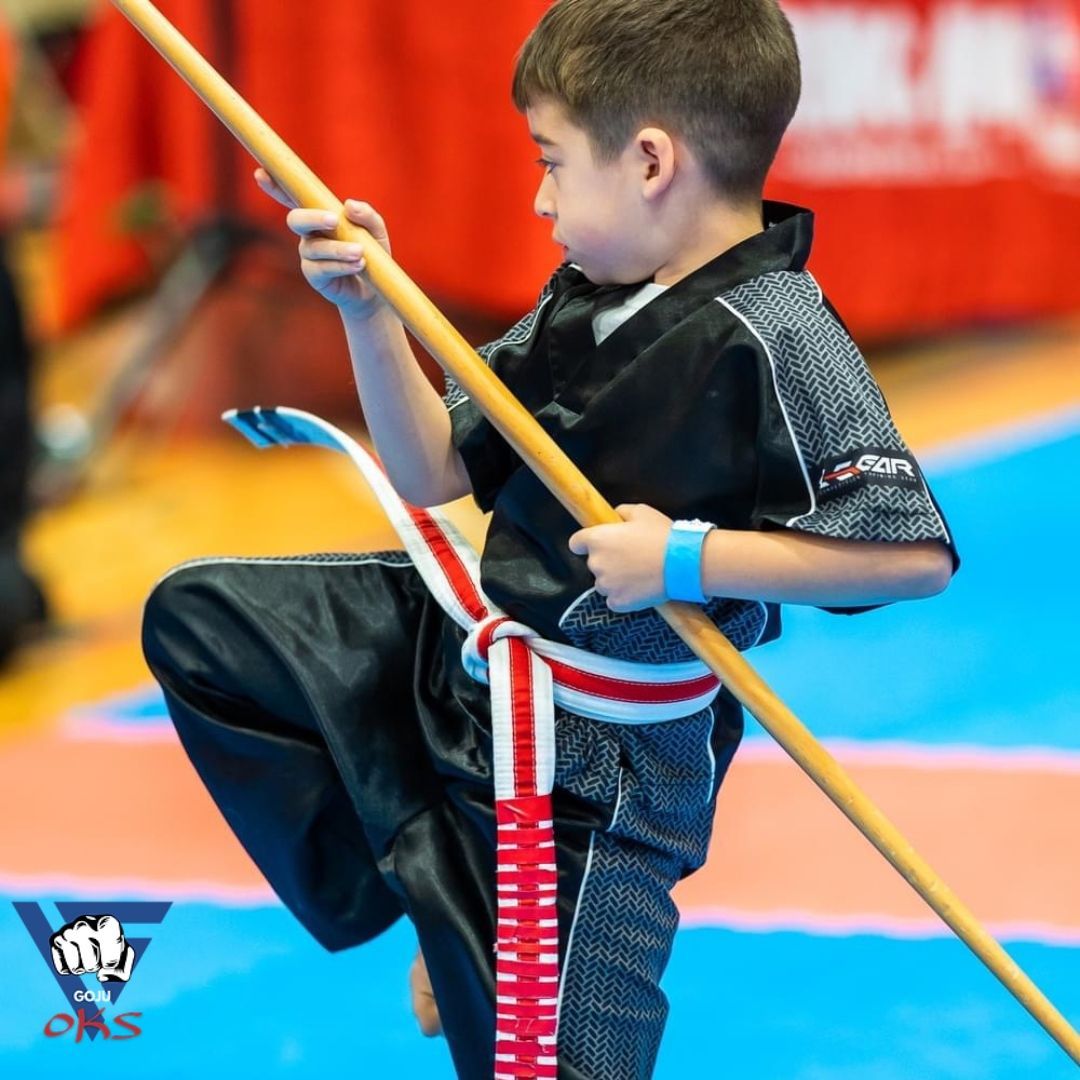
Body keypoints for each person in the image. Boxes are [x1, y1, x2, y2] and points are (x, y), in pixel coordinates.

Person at [141, 1, 957, 1076]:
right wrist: (368, 310)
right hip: (462, 669)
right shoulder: (588, 298)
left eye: (552, 162)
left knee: (555, 1067)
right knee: (208, 627)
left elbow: (911, 555)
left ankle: (465, 895)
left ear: (651, 161)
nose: (539, 197)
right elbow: (435, 467)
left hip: (600, 773)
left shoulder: (782, 332)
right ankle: (432, 876)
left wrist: (686, 560)